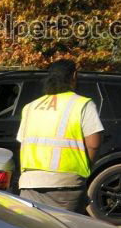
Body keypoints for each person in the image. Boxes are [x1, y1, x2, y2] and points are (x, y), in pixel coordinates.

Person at [16, 59, 104, 213]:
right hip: (66, 184)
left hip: (30, 182)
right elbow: (94, 143)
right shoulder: (82, 104)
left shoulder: (30, 107)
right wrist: (86, 167)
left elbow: (23, 141)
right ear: (74, 76)